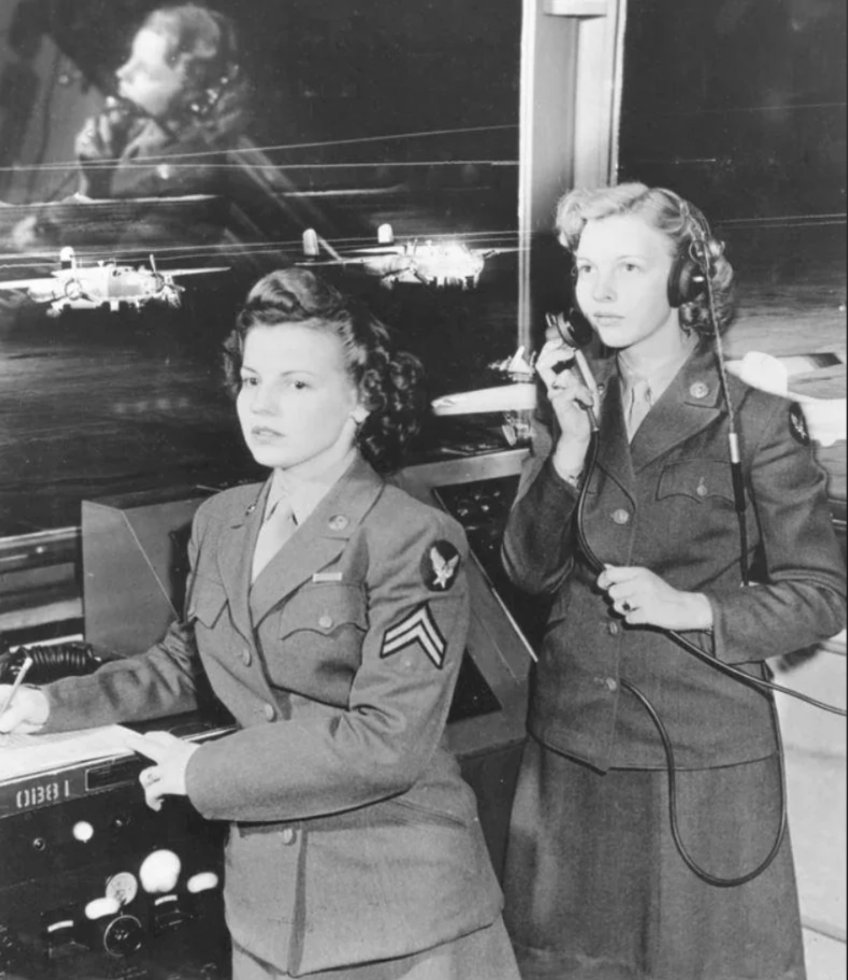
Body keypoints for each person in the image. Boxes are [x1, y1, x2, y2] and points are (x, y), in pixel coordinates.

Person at [0, 267, 521, 980]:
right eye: (251, 380)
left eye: (297, 384)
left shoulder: (411, 537)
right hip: (267, 917)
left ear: (363, 399)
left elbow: (388, 742)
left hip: (401, 918)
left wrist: (203, 769)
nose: (262, 405)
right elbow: (186, 662)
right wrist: (49, 705)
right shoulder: (222, 521)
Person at [500, 182, 846, 979]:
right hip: (574, 748)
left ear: (688, 280)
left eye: (629, 267)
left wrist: (692, 607)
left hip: (704, 758)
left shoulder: (755, 420)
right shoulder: (571, 405)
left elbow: (821, 593)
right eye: (589, 269)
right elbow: (528, 568)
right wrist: (570, 447)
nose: (602, 291)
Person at [74, 2, 249, 199]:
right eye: (131, 59)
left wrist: (94, 182)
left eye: (146, 71)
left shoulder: (193, 176)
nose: (122, 72)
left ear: (192, 92)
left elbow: (98, 228)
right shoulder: (140, 128)